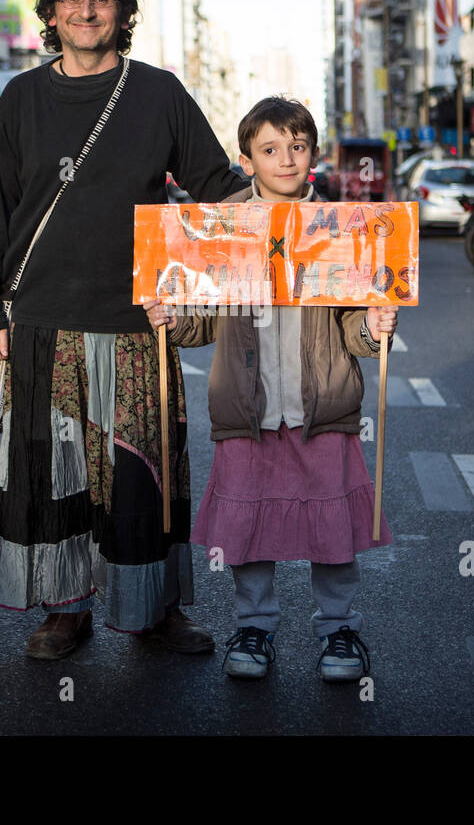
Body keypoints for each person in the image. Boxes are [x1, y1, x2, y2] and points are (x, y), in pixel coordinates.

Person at [0, 0, 247, 660]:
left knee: (143, 480)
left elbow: (218, 185)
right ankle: (65, 609)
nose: (86, 9)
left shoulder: (158, 93)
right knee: (55, 478)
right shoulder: (20, 98)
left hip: (138, 324)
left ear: (122, 12)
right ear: (51, 12)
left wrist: (308, 226)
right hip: (41, 323)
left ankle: (156, 612)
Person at [144, 96, 396, 682]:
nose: (286, 159)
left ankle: (339, 632)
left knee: (332, 529)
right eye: (270, 149)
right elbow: (201, 324)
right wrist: (171, 318)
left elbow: (353, 333)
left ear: (313, 153)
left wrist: (373, 325)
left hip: (324, 403)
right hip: (246, 406)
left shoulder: (340, 228)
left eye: (298, 146)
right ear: (246, 158)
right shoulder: (221, 228)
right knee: (249, 526)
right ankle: (254, 626)